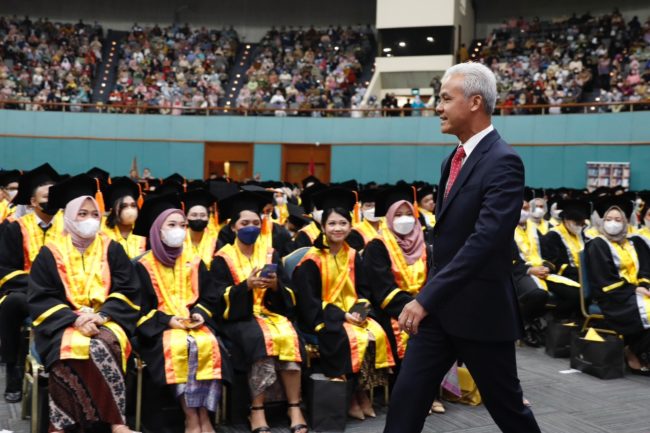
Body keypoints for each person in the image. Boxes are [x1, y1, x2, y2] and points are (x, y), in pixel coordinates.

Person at [384, 62, 540, 433]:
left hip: (480, 312)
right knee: (406, 401)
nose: (437, 107)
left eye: (444, 98)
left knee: (509, 411)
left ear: (474, 102)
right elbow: (449, 239)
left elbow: (484, 242)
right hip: (439, 310)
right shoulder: (451, 160)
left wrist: (424, 298)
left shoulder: (504, 161)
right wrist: (430, 298)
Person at [27, 175, 140, 433]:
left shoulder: (112, 248)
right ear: (68, 216)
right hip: (62, 324)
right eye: (82, 213)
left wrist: (101, 317)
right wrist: (75, 319)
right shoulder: (50, 252)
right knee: (68, 350)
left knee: (105, 344)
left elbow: (128, 290)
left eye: (94, 214)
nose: (90, 219)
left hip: (106, 319)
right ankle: (67, 424)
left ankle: (115, 424)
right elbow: (41, 297)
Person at [293, 187, 395, 421]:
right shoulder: (311, 260)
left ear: (350, 226)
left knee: (377, 332)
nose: (337, 229)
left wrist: (359, 312)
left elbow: (365, 290)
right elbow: (309, 301)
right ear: (323, 227)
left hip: (352, 315)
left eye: (342, 223)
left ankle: (361, 393)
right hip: (322, 317)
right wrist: (341, 316)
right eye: (332, 224)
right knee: (342, 336)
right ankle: (350, 397)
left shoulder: (353, 256)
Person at [210, 191, 307, 433]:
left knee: (290, 335)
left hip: (269, 312)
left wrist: (275, 286)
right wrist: (246, 287)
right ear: (233, 227)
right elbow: (218, 299)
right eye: (245, 223)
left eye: (256, 223)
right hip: (238, 318)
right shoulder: (222, 258)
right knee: (259, 339)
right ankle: (257, 409)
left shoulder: (270, 253)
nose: (251, 227)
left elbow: (289, 293)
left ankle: (294, 406)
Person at [134, 194, 230, 433]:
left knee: (209, 344)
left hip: (193, 324)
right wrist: (168, 321)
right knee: (183, 347)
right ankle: (190, 416)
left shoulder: (195, 261)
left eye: (182, 225)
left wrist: (199, 313)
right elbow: (139, 308)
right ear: (158, 230)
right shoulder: (142, 265)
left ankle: (204, 416)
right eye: (172, 225)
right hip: (159, 329)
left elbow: (210, 298)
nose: (179, 230)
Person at [362, 185, 446, 414]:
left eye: (408, 214)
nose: (404, 219)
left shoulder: (426, 242)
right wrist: (414, 307)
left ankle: (432, 392)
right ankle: (411, 395)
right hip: (391, 307)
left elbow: (435, 276)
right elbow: (382, 289)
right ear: (388, 217)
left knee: (440, 326)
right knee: (403, 328)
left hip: (425, 304)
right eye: (397, 215)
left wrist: (426, 304)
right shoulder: (377, 245)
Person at [0, 163, 62, 402]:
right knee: (10, 303)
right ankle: (13, 371)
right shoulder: (15, 228)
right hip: (25, 292)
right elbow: (5, 270)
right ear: (33, 202)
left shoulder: (68, 227)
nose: (52, 200)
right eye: (47, 196)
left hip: (63, 294)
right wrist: (37, 285)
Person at [586, 196, 650, 374]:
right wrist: (634, 289)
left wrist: (643, 284)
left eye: (617, 219)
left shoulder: (634, 242)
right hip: (613, 297)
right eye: (608, 219)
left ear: (625, 223)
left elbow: (645, 269)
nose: (612, 223)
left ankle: (636, 348)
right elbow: (604, 280)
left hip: (636, 293)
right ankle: (633, 350)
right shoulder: (597, 244)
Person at [541, 199, 590, 318]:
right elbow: (554, 264)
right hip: (557, 275)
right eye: (576, 223)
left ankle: (580, 322)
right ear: (566, 220)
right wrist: (579, 272)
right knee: (578, 295)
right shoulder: (553, 235)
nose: (579, 226)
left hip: (578, 275)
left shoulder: (580, 235)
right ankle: (553, 319)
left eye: (581, 224)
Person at [102, 177, 147, 259]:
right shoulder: (100, 231)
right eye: (124, 206)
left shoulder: (145, 231)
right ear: (113, 209)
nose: (129, 210)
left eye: (133, 205)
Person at [181, 188, 219, 269]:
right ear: (186, 219)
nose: (198, 218)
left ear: (208, 219)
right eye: (194, 215)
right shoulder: (178, 241)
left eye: (202, 215)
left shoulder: (216, 243)